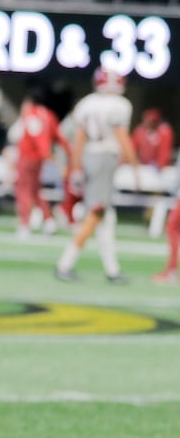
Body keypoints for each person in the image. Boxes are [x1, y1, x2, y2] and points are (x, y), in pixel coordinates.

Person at [55, 69, 140, 283]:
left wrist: (76, 166)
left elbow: (79, 138)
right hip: (104, 158)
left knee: (106, 218)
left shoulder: (86, 103)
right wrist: (135, 166)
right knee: (97, 213)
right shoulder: (120, 105)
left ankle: (112, 270)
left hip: (88, 157)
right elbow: (122, 136)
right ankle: (65, 263)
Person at [9, 88, 73, 239]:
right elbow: (60, 137)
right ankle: (48, 221)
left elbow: (36, 136)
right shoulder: (49, 115)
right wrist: (69, 154)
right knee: (36, 191)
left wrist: (46, 153)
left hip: (28, 157)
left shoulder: (31, 115)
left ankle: (24, 224)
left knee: (23, 190)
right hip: (39, 160)